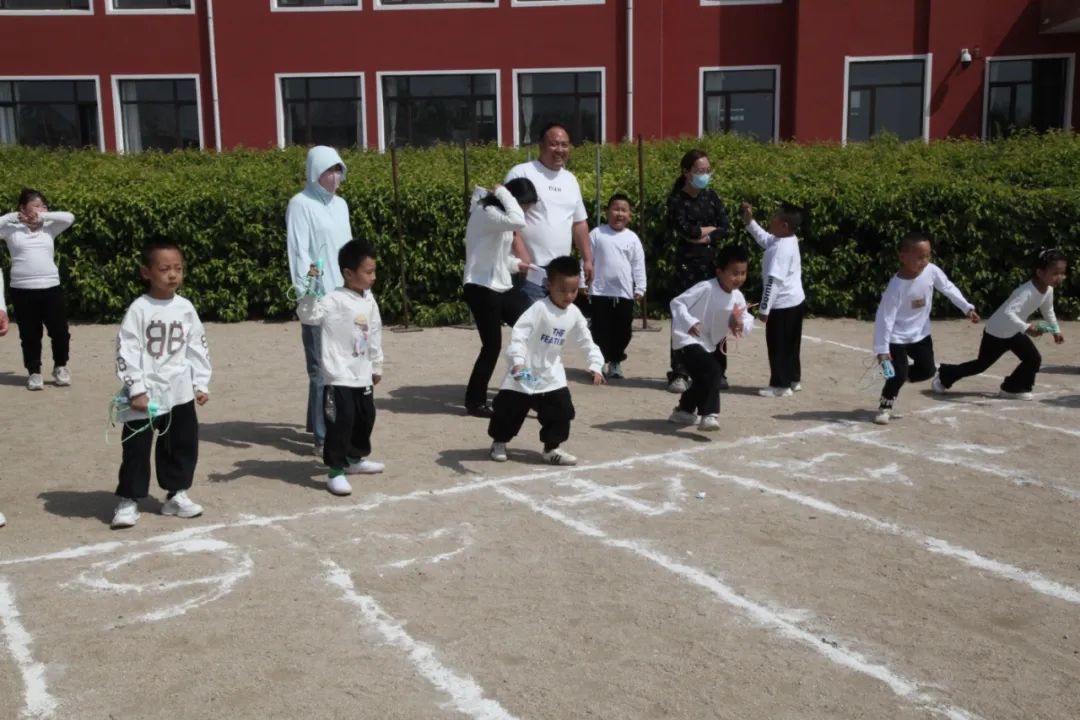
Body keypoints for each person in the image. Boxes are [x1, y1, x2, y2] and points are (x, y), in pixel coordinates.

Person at [110, 240, 212, 529]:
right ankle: (129, 499)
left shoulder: (186, 308)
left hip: (179, 393)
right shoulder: (139, 309)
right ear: (146, 272)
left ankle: (176, 494)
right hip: (146, 395)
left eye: (178, 268)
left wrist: (200, 382)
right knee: (137, 449)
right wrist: (136, 388)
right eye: (164, 268)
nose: (172, 275)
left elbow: (197, 346)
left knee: (180, 444)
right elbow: (126, 350)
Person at [487, 255, 605, 466]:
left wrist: (595, 364)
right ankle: (499, 442)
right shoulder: (538, 309)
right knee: (509, 410)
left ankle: (551, 449)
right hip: (524, 371)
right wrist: (517, 361)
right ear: (549, 285)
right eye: (562, 290)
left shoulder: (575, 313)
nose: (568, 296)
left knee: (562, 411)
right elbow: (519, 335)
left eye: (573, 290)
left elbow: (586, 340)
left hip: (550, 374)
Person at [297, 239, 385, 496]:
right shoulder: (332, 299)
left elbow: (375, 331)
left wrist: (377, 364)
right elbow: (308, 315)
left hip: (362, 373)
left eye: (374, 271)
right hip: (338, 376)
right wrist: (311, 289)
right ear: (348, 273)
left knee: (365, 417)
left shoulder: (369, 299)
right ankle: (335, 471)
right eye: (368, 272)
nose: (373, 277)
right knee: (341, 422)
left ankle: (355, 461)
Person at [870, 232, 979, 425]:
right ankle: (885, 406)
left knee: (927, 370)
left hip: (920, 334)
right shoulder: (896, 287)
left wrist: (967, 307)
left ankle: (895, 375)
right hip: (896, 338)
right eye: (919, 257)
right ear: (902, 256)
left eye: (927, 256)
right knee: (897, 375)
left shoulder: (932, 271)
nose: (924, 261)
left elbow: (948, 287)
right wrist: (882, 349)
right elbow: (884, 319)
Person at [934, 248, 1066, 401]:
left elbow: (1048, 310)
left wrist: (1056, 330)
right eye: (1055, 273)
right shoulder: (1026, 292)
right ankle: (944, 375)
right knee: (980, 365)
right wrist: (1027, 327)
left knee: (1033, 359)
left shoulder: (1048, 290)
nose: (1060, 277)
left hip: (1014, 332)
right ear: (1040, 272)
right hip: (996, 332)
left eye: (1062, 273)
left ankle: (1012, 389)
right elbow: (1009, 313)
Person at [287, 146, 352, 457]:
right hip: (316, 294)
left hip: (343, 294)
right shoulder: (300, 204)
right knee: (319, 367)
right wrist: (306, 292)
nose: (336, 176)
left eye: (339, 169)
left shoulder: (341, 205)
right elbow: (298, 250)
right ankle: (323, 436)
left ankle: (318, 422)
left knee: (338, 363)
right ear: (315, 171)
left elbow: (347, 247)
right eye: (330, 170)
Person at [462, 178, 538, 417]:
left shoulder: (497, 217)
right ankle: (475, 401)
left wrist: (518, 264)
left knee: (531, 330)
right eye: (525, 205)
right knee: (492, 346)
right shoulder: (487, 212)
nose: (525, 211)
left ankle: (530, 388)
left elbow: (498, 257)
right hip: (480, 287)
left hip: (500, 285)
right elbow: (518, 221)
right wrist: (504, 191)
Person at [504, 122, 593, 312]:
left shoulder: (570, 180)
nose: (560, 149)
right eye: (554, 144)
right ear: (541, 145)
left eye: (565, 145)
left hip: (560, 274)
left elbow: (579, 223)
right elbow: (509, 222)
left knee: (555, 329)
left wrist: (587, 259)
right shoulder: (521, 173)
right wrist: (524, 259)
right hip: (531, 272)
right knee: (534, 328)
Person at [668, 244, 755, 432]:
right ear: (719, 271)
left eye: (743, 273)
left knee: (702, 379)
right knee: (714, 371)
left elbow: (746, 318)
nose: (739, 278)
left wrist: (741, 324)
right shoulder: (706, 288)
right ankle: (709, 415)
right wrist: (690, 322)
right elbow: (677, 303)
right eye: (734, 273)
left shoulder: (737, 297)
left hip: (708, 343)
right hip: (686, 339)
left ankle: (683, 410)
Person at [665, 150, 730, 393]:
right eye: (699, 171)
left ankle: (718, 370)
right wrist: (703, 231)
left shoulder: (711, 197)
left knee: (717, 317)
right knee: (684, 318)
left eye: (707, 171)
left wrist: (705, 234)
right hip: (686, 268)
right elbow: (685, 231)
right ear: (686, 172)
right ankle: (680, 373)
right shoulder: (676, 200)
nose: (705, 175)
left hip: (712, 267)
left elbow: (725, 227)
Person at [0, 188, 75, 391]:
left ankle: (60, 366)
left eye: (44, 206)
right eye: (36, 205)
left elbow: (69, 217)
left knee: (60, 332)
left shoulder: (48, 227)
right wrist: (13, 217)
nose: (41, 209)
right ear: (22, 208)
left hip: (51, 287)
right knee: (30, 335)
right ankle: (34, 372)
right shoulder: (11, 230)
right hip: (22, 289)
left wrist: (42, 216)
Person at [740, 201, 805, 398]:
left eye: (775, 216)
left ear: (784, 225)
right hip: (795, 302)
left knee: (777, 345)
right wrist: (749, 221)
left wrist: (764, 309)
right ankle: (793, 379)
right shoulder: (787, 239)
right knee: (792, 344)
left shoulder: (779, 249)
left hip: (782, 305)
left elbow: (773, 281)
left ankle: (780, 385)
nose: (771, 219)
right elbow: (765, 239)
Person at [589, 193, 646, 379]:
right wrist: (582, 281)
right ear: (607, 212)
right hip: (600, 291)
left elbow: (638, 264)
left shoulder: (632, 238)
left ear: (630, 215)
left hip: (624, 293)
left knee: (623, 330)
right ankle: (599, 362)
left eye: (624, 210)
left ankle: (615, 361)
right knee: (600, 329)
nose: (619, 214)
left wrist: (640, 287)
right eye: (615, 209)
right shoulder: (597, 234)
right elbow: (587, 259)